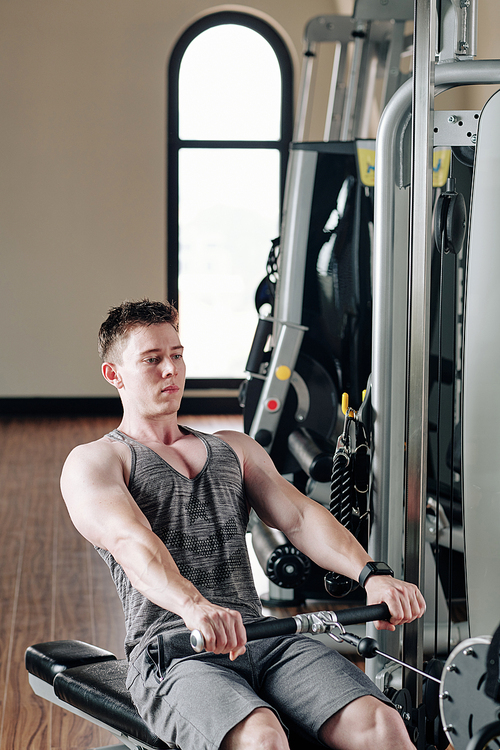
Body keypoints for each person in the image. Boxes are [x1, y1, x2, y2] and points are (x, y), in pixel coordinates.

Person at [60, 299, 426, 750]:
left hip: (262, 636)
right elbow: (131, 542)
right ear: (114, 374)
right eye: (152, 360)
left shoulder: (234, 448)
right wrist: (194, 608)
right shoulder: (96, 461)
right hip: (175, 652)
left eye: (177, 355)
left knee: (381, 725)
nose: (171, 370)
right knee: (262, 740)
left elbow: (300, 516)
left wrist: (372, 575)